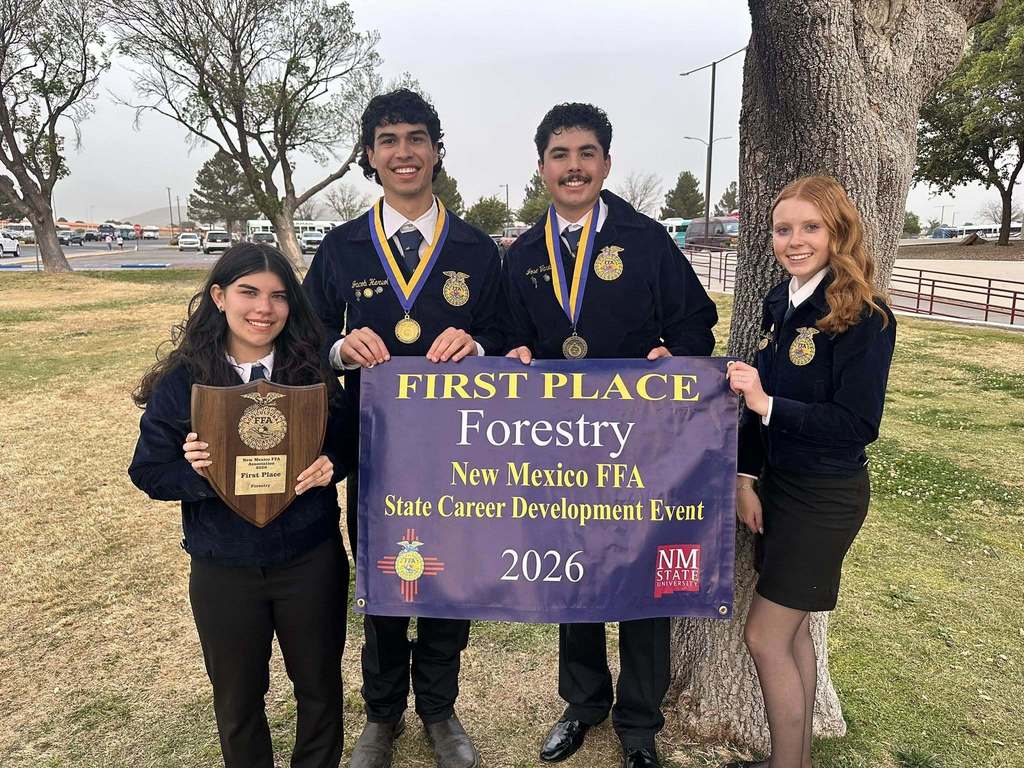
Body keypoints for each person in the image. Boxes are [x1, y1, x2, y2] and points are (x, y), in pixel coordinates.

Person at [503, 102, 718, 768]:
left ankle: (639, 723)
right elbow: (503, 332)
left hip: (640, 444)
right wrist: (509, 351)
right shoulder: (520, 256)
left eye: (586, 153)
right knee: (575, 574)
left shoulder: (647, 240)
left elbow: (696, 326)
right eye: (560, 155)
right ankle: (583, 702)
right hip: (559, 447)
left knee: (642, 575)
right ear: (542, 168)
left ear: (605, 163)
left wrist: (670, 358)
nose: (574, 167)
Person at [303, 88, 505, 768]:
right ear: (370, 156)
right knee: (386, 584)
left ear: (436, 150)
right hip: (374, 455)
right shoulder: (341, 248)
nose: (403, 152)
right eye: (388, 140)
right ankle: (382, 715)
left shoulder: (478, 250)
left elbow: (513, 342)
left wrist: (476, 348)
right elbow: (305, 341)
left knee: (449, 584)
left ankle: (441, 710)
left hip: (460, 458)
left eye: (416, 138)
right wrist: (338, 350)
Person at [128, 243, 350, 768]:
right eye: (249, 292)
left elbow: (348, 438)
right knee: (236, 698)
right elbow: (149, 470)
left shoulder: (310, 369)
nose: (263, 309)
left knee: (319, 688)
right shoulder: (187, 379)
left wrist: (331, 463)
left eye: (277, 297)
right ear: (219, 296)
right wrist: (199, 473)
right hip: (223, 563)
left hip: (309, 557)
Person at [724, 175, 896, 768]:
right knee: (792, 635)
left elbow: (856, 424)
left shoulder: (865, 318)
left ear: (837, 232)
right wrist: (747, 478)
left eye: (810, 228)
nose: (794, 241)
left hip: (825, 495)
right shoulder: (782, 302)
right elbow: (758, 404)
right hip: (780, 487)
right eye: (783, 229)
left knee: (764, 636)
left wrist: (766, 403)